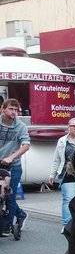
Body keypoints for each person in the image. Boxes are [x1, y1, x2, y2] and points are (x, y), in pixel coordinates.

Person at [0, 98, 30, 236]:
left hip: (13, 165)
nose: (14, 112)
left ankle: (6, 227)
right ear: (3, 109)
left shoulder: (21, 126)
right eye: (11, 109)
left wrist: (11, 157)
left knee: (10, 196)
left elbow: (26, 145)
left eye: (16, 110)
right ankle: (21, 214)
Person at [48, 117, 75, 230]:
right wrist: (52, 174)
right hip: (66, 173)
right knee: (68, 198)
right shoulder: (62, 141)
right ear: (69, 127)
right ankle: (67, 225)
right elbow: (56, 159)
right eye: (73, 126)